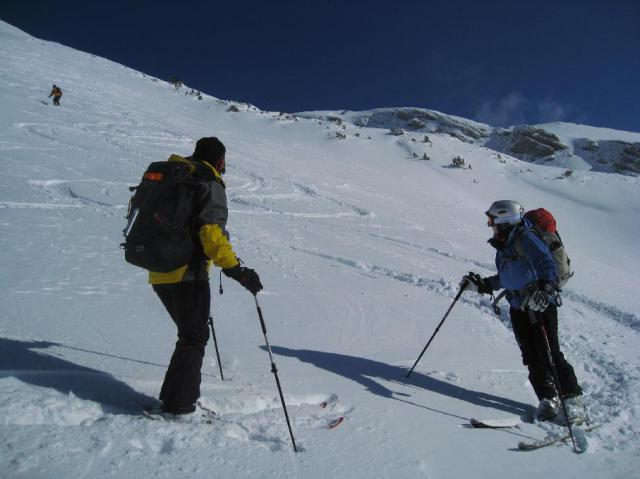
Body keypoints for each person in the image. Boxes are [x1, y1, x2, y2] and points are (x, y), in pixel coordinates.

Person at [149, 137, 262, 417]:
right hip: (187, 272)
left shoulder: (178, 176)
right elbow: (211, 233)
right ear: (220, 160)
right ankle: (179, 408)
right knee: (194, 337)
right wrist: (236, 269)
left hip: (159, 269)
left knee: (190, 335)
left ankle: (174, 400)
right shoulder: (208, 182)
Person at [461, 200, 583, 422]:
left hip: (539, 304)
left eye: (492, 220)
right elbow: (507, 277)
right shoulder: (504, 245)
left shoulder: (526, 239)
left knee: (550, 353)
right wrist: (482, 285)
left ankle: (572, 400)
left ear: (505, 220)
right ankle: (547, 398)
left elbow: (546, 265)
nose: (490, 225)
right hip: (518, 306)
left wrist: (545, 290)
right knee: (531, 355)